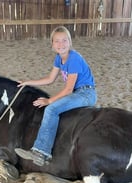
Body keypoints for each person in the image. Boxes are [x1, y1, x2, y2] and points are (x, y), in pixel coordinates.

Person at [15, 26, 97, 167]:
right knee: (53, 108)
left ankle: (41, 152)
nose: (61, 44)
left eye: (64, 41)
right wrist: (28, 82)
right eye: (57, 41)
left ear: (70, 42)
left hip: (86, 93)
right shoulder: (59, 58)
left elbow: (69, 89)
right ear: (52, 45)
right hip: (78, 93)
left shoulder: (74, 58)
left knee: (51, 109)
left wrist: (49, 100)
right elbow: (50, 79)